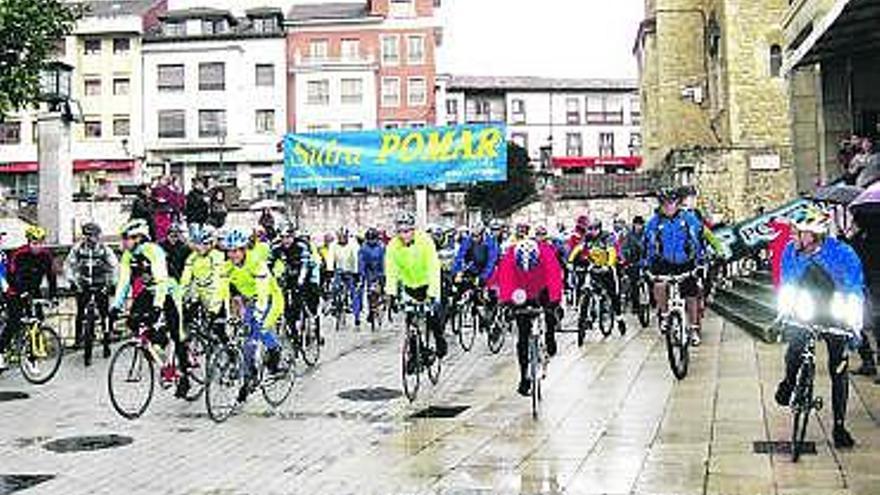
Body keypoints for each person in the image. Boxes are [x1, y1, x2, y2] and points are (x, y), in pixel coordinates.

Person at [775, 206, 864, 448]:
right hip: (804, 309)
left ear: (814, 234)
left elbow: (854, 289)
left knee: (838, 367)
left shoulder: (842, 253)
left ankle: (839, 425)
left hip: (835, 312)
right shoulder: (790, 252)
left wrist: (854, 323)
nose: (792, 235)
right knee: (795, 348)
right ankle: (789, 380)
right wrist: (784, 312)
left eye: (798, 231)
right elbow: (786, 283)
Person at [111, 219, 190, 398]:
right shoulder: (128, 256)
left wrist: (157, 307)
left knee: (177, 335)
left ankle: (184, 377)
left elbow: (162, 281)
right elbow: (123, 282)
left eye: (126, 238)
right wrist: (116, 306)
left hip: (169, 291)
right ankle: (160, 344)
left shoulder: (154, 251)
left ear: (138, 238)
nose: (123, 242)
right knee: (133, 321)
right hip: (150, 291)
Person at [214, 229, 286, 402]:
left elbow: (262, 293)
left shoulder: (256, 264)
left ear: (244, 250)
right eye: (230, 251)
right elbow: (221, 292)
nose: (234, 254)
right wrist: (215, 311)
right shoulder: (226, 267)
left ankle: (274, 350)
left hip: (270, 298)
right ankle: (249, 378)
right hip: (250, 302)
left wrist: (258, 314)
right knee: (247, 343)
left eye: (237, 250)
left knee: (259, 327)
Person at [492, 239, 563, 396]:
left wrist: (554, 301)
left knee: (550, 311)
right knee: (523, 336)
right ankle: (524, 376)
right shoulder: (510, 257)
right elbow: (505, 280)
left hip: (541, 286)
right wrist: (507, 302)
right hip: (520, 290)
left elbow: (555, 278)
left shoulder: (546, 254)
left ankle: (550, 335)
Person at [643, 188, 705, 344]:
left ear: (677, 203)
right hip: (663, 262)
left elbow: (699, 240)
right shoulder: (654, 222)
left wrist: (701, 261)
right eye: (665, 203)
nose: (668, 206)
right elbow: (648, 245)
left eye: (672, 202)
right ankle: (664, 314)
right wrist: (646, 265)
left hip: (686, 261)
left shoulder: (689, 219)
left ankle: (693, 328)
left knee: (691, 295)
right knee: (660, 284)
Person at [385, 211, 447, 363]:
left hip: (427, 284)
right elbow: (391, 270)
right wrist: (391, 294)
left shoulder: (425, 241)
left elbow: (433, 267)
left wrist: (433, 294)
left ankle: (439, 339)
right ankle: (415, 353)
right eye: (400, 232)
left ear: (413, 230)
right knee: (410, 321)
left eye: (407, 231)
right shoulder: (393, 245)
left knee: (433, 317)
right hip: (409, 286)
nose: (404, 235)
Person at [0, 226, 58, 371]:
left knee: (37, 321)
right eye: (34, 242)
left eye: (40, 242)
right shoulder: (19, 254)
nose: (37, 246)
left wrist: (53, 296)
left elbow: (52, 277)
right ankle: (0, 351)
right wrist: (21, 292)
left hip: (34, 290)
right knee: (14, 321)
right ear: (29, 241)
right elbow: (11, 275)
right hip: (15, 291)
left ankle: (32, 359)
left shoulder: (46, 255)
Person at [64, 222, 118, 364]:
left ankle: (107, 338)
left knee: (104, 313)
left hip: (101, 285)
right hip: (84, 284)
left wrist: (112, 283)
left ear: (98, 236)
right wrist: (72, 281)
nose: (90, 239)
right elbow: (69, 265)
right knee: (81, 311)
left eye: (93, 235)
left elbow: (114, 267)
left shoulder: (105, 250)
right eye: (87, 235)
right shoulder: (78, 248)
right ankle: (78, 338)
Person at [569, 220, 626, 335]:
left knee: (613, 294)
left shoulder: (607, 237)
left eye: (595, 229)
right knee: (586, 286)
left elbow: (612, 251)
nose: (593, 232)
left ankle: (619, 319)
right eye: (590, 229)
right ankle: (587, 312)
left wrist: (609, 265)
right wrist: (570, 261)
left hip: (607, 268)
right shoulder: (588, 237)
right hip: (593, 267)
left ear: (600, 229)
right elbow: (578, 248)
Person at [271, 224, 322, 344]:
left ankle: (316, 330)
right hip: (290, 275)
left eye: (288, 237)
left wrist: (300, 282)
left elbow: (305, 266)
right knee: (289, 309)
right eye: (283, 237)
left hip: (307, 275)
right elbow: (268, 265)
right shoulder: (276, 247)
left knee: (311, 302)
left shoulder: (301, 246)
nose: (285, 240)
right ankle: (294, 334)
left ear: (293, 236)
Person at [179, 226, 225, 339]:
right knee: (186, 317)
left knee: (218, 330)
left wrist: (214, 308)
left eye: (205, 244)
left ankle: (230, 352)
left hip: (215, 294)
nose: (201, 248)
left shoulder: (217, 256)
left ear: (212, 244)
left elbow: (217, 280)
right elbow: (185, 279)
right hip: (199, 293)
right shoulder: (192, 258)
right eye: (199, 244)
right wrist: (179, 296)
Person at [331, 227, 361, 326]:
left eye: (343, 237)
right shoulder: (333, 245)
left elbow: (356, 258)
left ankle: (356, 315)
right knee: (335, 287)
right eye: (340, 237)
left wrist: (356, 272)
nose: (341, 239)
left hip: (350, 270)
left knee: (354, 292)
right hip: (339, 270)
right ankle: (335, 304)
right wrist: (329, 270)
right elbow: (330, 258)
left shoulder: (353, 245)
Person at [358, 227, 385, 325]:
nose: (371, 241)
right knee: (370, 292)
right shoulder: (363, 248)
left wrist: (383, 274)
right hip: (369, 270)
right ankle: (371, 310)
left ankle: (382, 300)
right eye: (369, 239)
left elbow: (384, 260)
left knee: (381, 288)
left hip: (379, 269)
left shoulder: (381, 247)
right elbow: (361, 262)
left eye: (373, 239)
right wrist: (361, 274)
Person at [621, 216, 647, 308]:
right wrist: (625, 259)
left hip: (645, 261)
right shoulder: (629, 236)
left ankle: (652, 302)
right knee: (633, 283)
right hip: (633, 262)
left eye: (640, 224)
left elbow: (651, 247)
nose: (638, 227)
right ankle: (635, 305)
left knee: (651, 280)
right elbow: (623, 249)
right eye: (637, 224)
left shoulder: (646, 234)